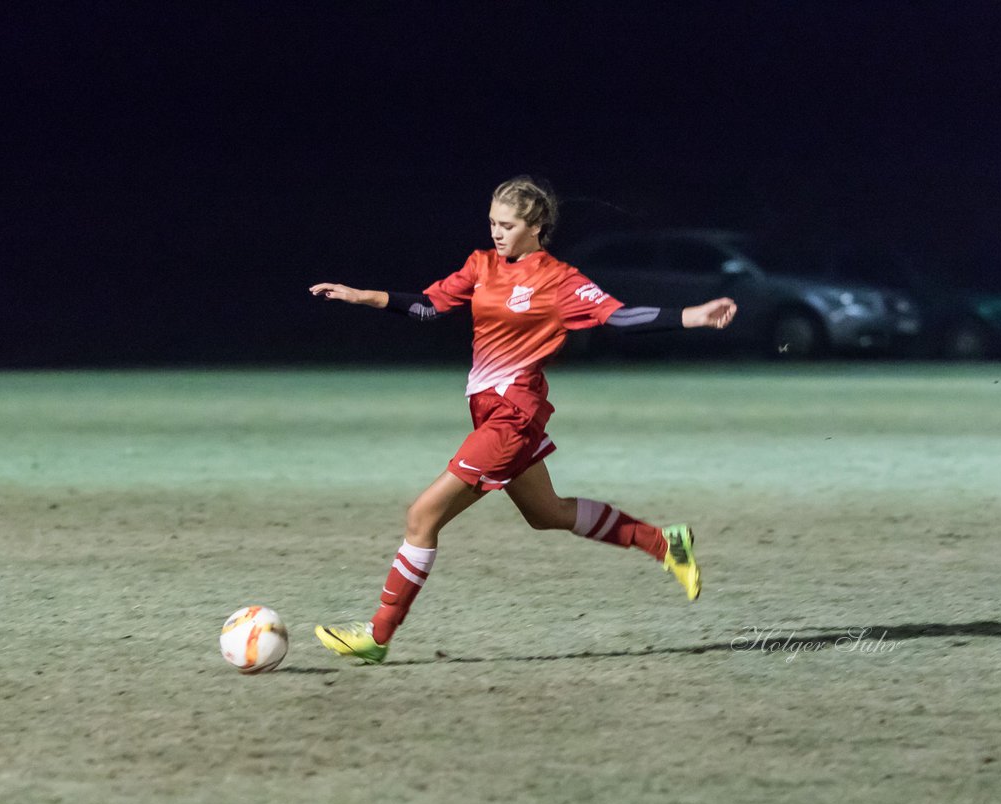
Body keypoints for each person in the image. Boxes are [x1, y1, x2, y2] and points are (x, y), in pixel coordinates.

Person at [309, 176, 737, 663]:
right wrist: (359, 295)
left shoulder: (559, 280)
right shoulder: (481, 266)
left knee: (421, 517)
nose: (496, 232)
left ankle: (376, 636)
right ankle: (663, 543)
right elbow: (430, 307)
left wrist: (692, 316)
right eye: (492, 222)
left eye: (507, 225)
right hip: (491, 413)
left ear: (535, 227)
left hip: (511, 419)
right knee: (547, 514)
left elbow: (617, 317)